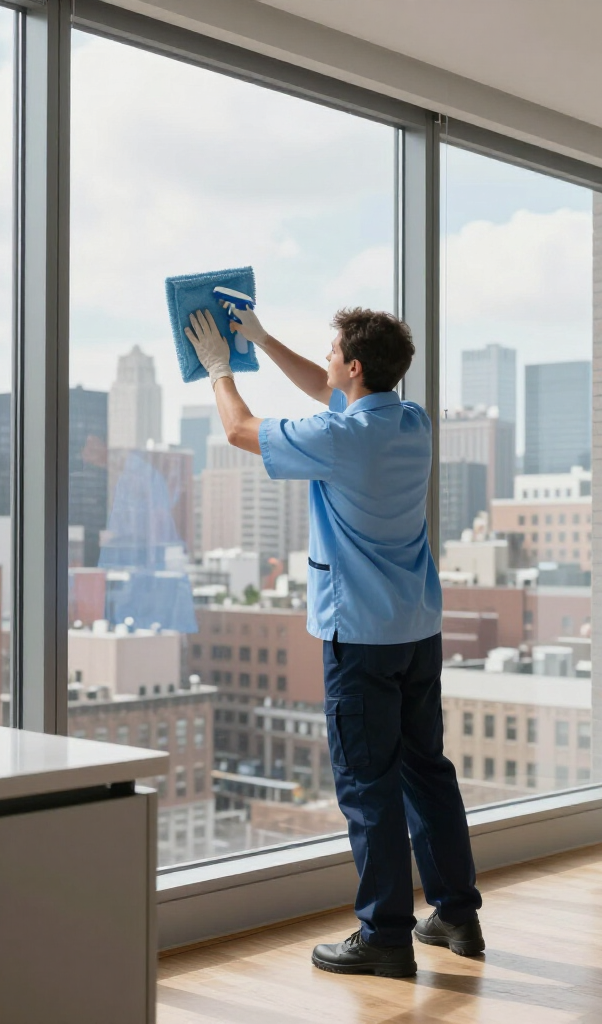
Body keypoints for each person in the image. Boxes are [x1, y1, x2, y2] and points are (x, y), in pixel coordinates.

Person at [185, 304, 483, 979]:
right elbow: (332, 392)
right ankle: (458, 914)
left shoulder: (340, 437)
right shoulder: (412, 423)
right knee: (426, 772)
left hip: (361, 638)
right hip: (417, 630)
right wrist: (264, 339)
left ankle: (384, 935)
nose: (324, 362)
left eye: (332, 352)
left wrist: (221, 367)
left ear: (353, 365)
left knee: (367, 787)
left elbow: (238, 428)